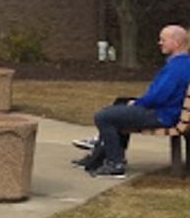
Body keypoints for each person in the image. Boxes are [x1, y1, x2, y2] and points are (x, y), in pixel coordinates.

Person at [73, 24, 190, 178]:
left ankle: (115, 164)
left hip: (163, 115)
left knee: (103, 116)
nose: (159, 43)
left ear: (176, 43)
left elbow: (159, 95)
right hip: (169, 110)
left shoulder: (176, 67)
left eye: (163, 40)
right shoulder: (183, 63)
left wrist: (138, 103)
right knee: (120, 102)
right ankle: (99, 154)